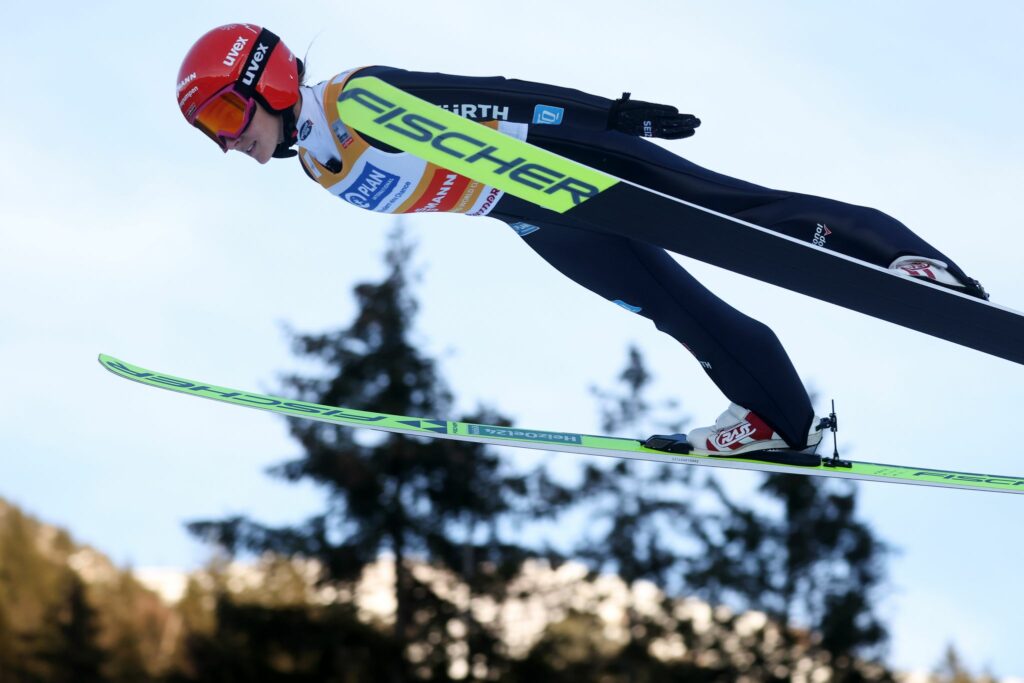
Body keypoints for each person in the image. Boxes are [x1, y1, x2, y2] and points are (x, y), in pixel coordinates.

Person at [176, 23, 987, 456]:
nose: (224, 141)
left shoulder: (358, 103)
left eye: (222, 115)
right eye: (208, 130)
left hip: (559, 157)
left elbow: (493, 98)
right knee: (669, 305)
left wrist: (611, 115)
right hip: (528, 213)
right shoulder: (318, 165)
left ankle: (903, 260)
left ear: (268, 81)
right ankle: (781, 417)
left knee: (728, 209)